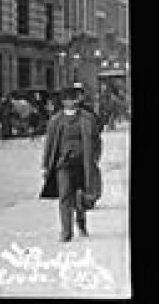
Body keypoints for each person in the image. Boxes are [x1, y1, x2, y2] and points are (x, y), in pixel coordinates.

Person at [40, 85, 103, 242]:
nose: (71, 102)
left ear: (77, 100)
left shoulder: (87, 118)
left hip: (83, 163)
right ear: (63, 102)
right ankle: (66, 232)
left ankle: (81, 222)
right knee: (64, 195)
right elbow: (49, 144)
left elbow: (96, 140)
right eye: (67, 99)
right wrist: (45, 165)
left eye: (73, 99)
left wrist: (95, 157)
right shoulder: (56, 120)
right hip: (63, 164)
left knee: (80, 195)